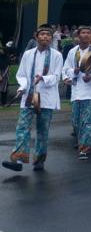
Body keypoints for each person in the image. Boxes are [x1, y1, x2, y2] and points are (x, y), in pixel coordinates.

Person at [3, 26, 63, 172]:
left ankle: (39, 159)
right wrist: (21, 87)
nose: (45, 37)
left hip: (46, 98)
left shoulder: (57, 55)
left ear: (51, 38)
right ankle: (18, 159)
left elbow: (56, 77)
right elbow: (21, 74)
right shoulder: (28, 54)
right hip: (28, 96)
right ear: (36, 37)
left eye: (48, 35)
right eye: (42, 34)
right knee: (22, 127)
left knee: (43, 130)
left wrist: (43, 78)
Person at [61, 26, 91, 160]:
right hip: (76, 91)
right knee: (76, 121)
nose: (86, 35)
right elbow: (65, 69)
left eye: (88, 33)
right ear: (78, 36)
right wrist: (70, 74)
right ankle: (81, 141)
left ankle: (84, 148)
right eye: (83, 33)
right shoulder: (73, 52)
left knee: (88, 121)